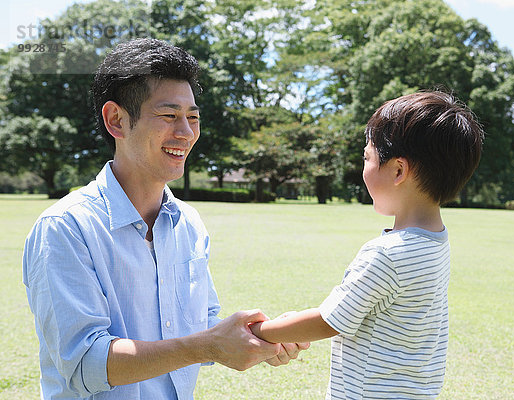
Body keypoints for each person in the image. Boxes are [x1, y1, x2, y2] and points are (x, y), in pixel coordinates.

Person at [22, 38, 307, 400]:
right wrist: (208, 346)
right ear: (117, 121)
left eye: (192, 117)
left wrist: (265, 333)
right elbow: (84, 364)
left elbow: (200, 326)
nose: (186, 133)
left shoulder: (188, 224)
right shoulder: (65, 228)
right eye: (169, 115)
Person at [250, 91, 484, 399]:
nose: (364, 168)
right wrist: (292, 324)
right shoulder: (436, 241)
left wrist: (260, 333)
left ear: (398, 170)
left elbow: (328, 321)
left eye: (367, 157)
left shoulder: (387, 254)